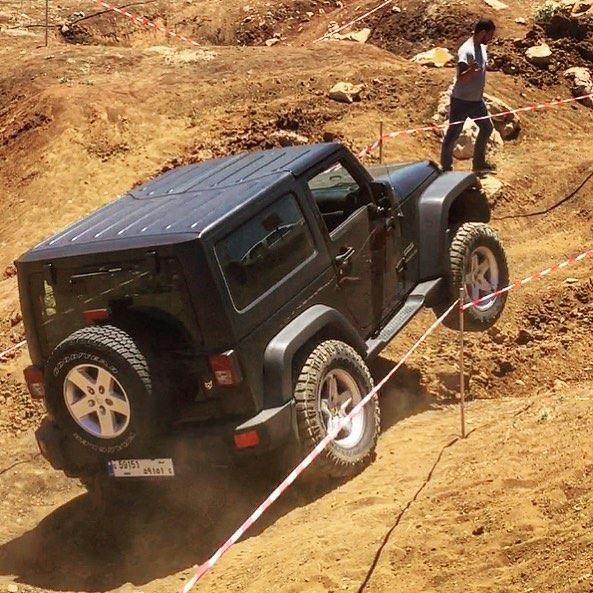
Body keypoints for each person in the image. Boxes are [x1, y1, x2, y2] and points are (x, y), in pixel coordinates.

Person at [441, 18, 497, 175]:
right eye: (490, 34)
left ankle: (478, 164)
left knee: (487, 128)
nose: (491, 38)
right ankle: (446, 170)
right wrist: (472, 71)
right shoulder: (466, 51)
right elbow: (461, 77)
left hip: (476, 101)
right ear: (483, 32)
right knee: (453, 135)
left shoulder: (482, 47)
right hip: (461, 101)